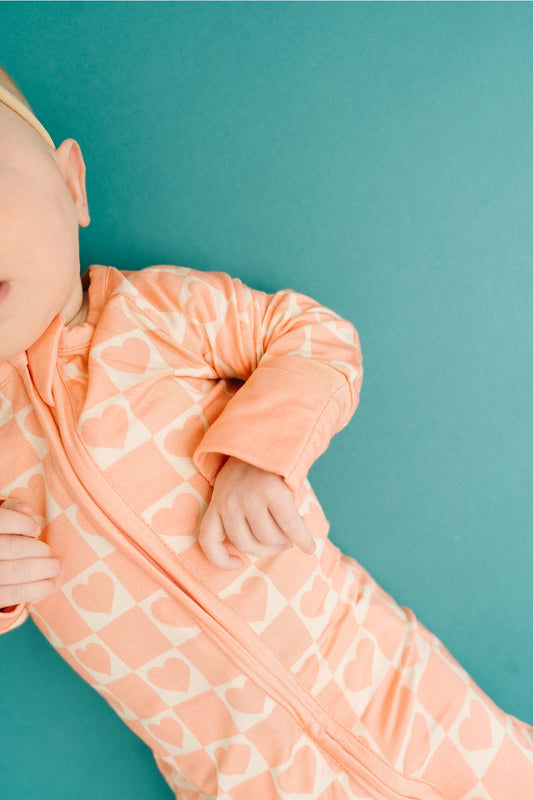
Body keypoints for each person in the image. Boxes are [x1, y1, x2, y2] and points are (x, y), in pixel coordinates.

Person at [0, 66, 531, 800]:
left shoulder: (156, 313)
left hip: (377, 677)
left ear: (71, 186)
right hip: (238, 775)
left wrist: (258, 454)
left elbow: (312, 336)